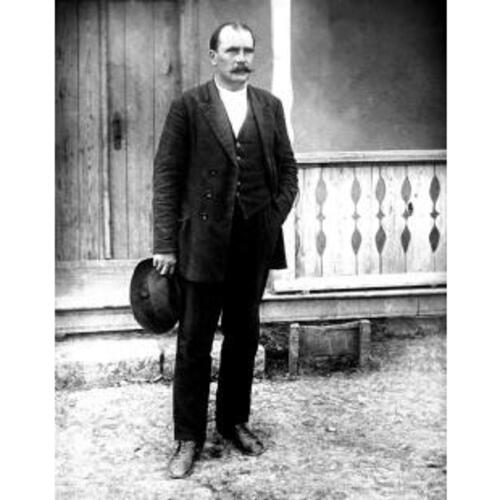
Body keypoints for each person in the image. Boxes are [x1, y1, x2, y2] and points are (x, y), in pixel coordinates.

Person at [152, 21, 298, 479]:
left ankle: (234, 422)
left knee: (243, 337)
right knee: (194, 342)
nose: (241, 59)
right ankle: (188, 437)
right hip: (202, 243)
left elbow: (289, 172)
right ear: (213, 56)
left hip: (253, 243)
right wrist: (165, 244)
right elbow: (167, 177)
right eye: (232, 51)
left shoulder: (269, 106)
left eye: (248, 51)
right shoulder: (189, 105)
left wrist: (270, 219)